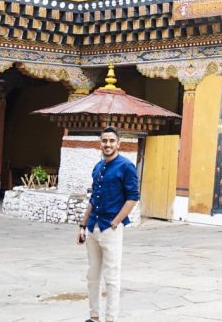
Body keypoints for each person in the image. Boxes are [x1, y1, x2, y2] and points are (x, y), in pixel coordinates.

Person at [77, 126, 139, 322]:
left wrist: (116, 221)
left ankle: (111, 319)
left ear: (118, 144)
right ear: (100, 143)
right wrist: (82, 225)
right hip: (93, 226)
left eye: (112, 141)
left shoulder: (126, 166)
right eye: (105, 141)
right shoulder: (98, 167)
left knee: (111, 277)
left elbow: (132, 198)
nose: (108, 144)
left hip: (110, 228)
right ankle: (94, 317)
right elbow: (93, 198)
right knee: (92, 275)